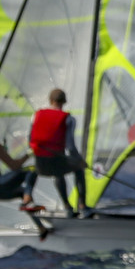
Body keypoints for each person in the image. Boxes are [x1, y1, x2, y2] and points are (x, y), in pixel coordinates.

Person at [29, 89, 88, 217]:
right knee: (78, 169)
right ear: (64, 102)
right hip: (55, 162)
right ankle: (83, 205)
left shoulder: (36, 115)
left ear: (50, 100)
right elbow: (70, 147)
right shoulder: (68, 119)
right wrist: (80, 161)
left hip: (39, 165)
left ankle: (67, 206)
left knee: (58, 172)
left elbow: (30, 139)